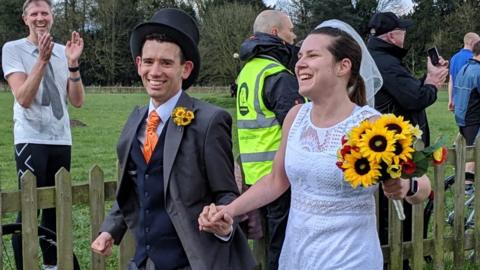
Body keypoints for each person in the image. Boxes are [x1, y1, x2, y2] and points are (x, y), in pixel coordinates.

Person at [199, 19, 406, 270]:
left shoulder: (374, 127)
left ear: (343, 66)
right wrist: (229, 211)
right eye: (299, 56)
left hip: (350, 257)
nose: (299, 63)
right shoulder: (295, 117)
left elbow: (422, 185)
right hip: (298, 254)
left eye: (312, 55)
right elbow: (277, 180)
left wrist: (405, 185)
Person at [90, 8, 255, 270]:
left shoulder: (209, 121)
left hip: (193, 261)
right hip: (144, 262)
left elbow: (226, 194)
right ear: (138, 64)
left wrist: (222, 222)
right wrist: (109, 231)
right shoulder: (135, 120)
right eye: (148, 61)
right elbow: (134, 187)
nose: (155, 71)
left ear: (185, 69)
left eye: (166, 63)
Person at [1, 0, 85, 269]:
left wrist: (72, 65)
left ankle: (51, 266)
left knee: (54, 208)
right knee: (29, 207)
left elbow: (78, 101)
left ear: (52, 17)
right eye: (34, 13)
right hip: (30, 138)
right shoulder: (13, 49)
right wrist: (41, 60)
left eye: (45, 13)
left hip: (60, 138)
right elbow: (23, 98)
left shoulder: (63, 51)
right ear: (25, 18)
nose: (40, 18)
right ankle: (25, 264)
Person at [367, 11, 444, 264]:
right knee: (402, 211)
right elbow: (415, 98)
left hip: (388, 146)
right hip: (394, 149)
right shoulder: (386, 62)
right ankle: (402, 258)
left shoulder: (378, 58)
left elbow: (406, 91)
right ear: (392, 35)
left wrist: (427, 78)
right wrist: (432, 82)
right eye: (402, 30)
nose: (406, 34)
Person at [235, 9, 305, 270]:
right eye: (291, 30)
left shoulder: (248, 71)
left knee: (268, 247)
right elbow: (297, 125)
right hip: (280, 174)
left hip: (255, 175)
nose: (294, 36)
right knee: (283, 246)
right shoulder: (277, 75)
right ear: (275, 33)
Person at [453, 41, 480, 186]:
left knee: (470, 155)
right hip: (474, 119)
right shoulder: (478, 71)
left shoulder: (465, 68)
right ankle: (468, 188)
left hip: (462, 118)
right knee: (473, 157)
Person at [448, 32, 480, 111]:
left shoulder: (454, 58)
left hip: (457, 103)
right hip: (471, 103)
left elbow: (451, 81)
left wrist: (450, 100)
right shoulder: (473, 58)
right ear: (472, 42)